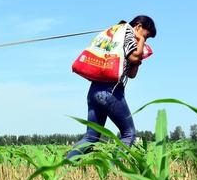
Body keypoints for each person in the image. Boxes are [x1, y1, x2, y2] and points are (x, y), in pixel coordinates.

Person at [66, 15, 157, 160]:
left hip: (94, 91)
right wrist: (140, 42)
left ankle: (66, 164)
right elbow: (134, 56)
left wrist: (139, 59)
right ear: (138, 26)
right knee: (129, 133)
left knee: (91, 137)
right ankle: (117, 167)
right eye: (146, 36)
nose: (145, 40)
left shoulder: (118, 36)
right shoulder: (128, 33)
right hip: (111, 92)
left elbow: (132, 74)